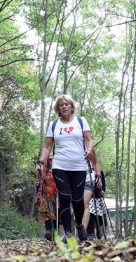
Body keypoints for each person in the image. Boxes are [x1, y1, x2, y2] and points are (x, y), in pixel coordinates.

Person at [37, 94, 97, 242]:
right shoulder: (54, 125)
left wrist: (89, 150)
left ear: (71, 106)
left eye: (66, 104)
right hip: (60, 166)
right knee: (64, 197)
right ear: (58, 108)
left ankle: (79, 225)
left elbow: (89, 140)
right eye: (61, 105)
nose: (64, 106)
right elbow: (47, 146)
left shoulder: (81, 121)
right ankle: (68, 233)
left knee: (77, 200)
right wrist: (40, 162)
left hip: (78, 166)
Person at [36, 154, 60, 241]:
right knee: (47, 214)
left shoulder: (59, 170)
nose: (51, 161)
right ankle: (48, 231)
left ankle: (56, 233)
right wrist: (38, 183)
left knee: (56, 215)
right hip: (46, 195)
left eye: (52, 159)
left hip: (57, 196)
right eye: (49, 160)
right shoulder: (45, 171)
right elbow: (40, 180)